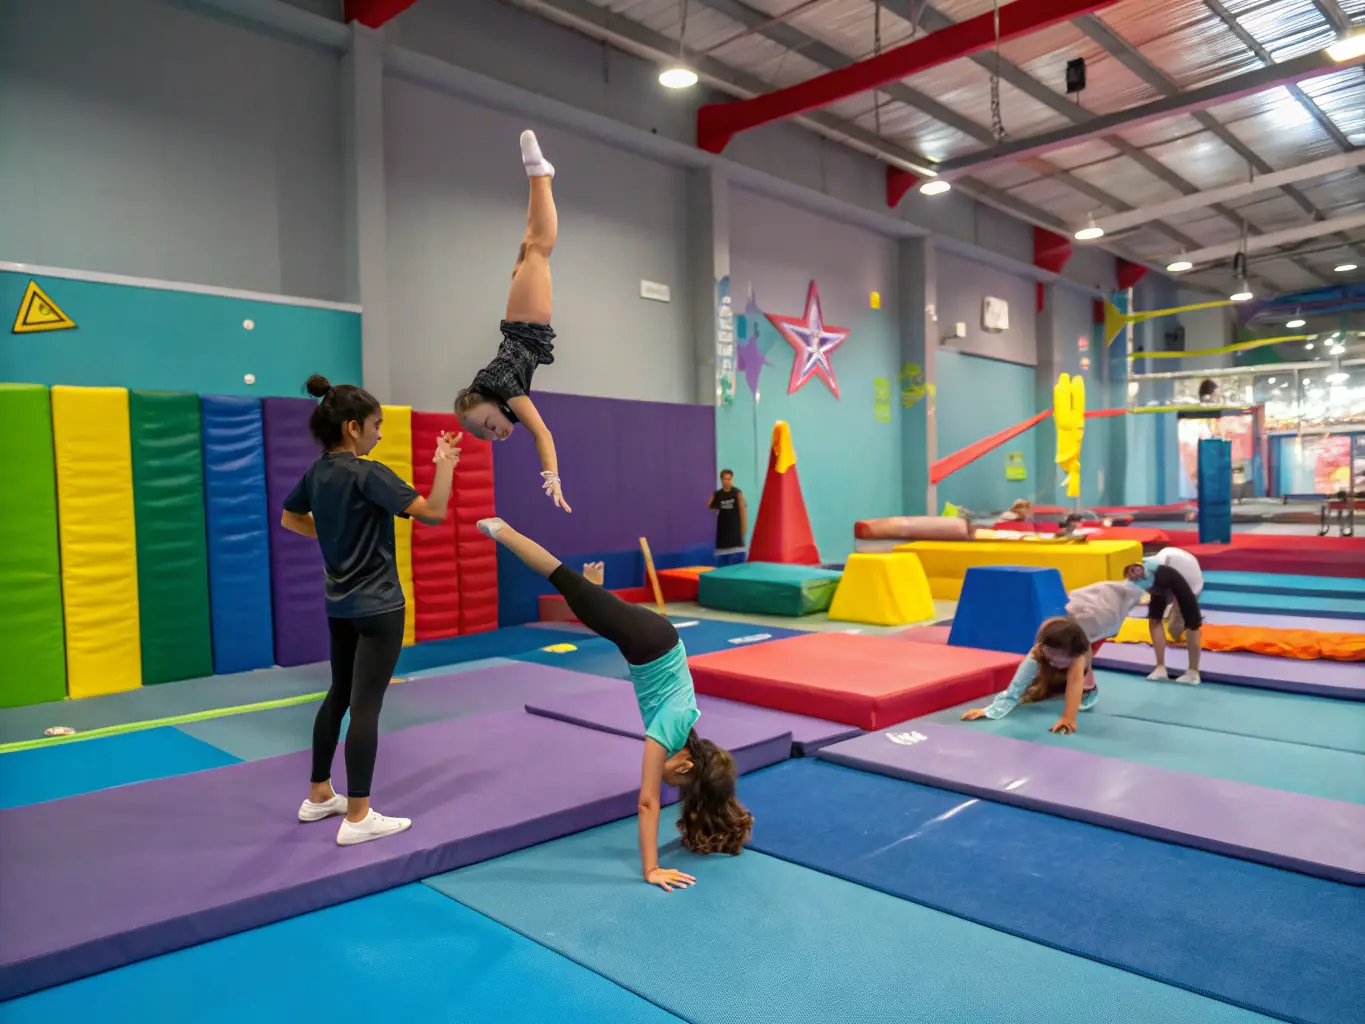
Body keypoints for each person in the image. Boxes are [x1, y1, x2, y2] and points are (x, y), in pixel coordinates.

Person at [476, 515, 753, 891]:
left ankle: (595, 591)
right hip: (649, 644)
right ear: (686, 763)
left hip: (654, 642)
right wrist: (651, 869)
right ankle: (502, 530)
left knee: (590, 605)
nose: (667, 782)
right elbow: (647, 801)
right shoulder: (667, 731)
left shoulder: (683, 734)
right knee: (561, 577)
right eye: (677, 782)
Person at [282, 375, 461, 846]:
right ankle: (358, 816)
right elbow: (434, 512)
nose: (380, 434)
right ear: (354, 427)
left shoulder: (317, 473)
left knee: (339, 694)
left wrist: (333, 538)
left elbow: (289, 517)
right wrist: (445, 464)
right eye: (377, 425)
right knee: (365, 706)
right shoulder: (368, 472)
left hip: (339, 605)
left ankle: (320, 793)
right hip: (380, 606)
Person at [453, 130, 570, 514]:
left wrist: (551, 477)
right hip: (521, 317)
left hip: (526, 321)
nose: (495, 434)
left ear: (491, 402)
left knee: (540, 246)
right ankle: (542, 178)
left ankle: (540, 173)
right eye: (488, 436)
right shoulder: (497, 388)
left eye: (487, 425)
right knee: (533, 244)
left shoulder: (504, 385)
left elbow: (542, 433)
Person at [961, 568, 1149, 734]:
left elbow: (1074, 684)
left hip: (1103, 617)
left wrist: (1068, 718)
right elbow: (1019, 681)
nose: (1053, 663)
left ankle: (1090, 688)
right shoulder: (1043, 644)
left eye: (1059, 662)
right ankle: (1053, 682)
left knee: (1081, 678)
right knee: (1040, 675)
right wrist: (991, 710)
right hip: (1076, 613)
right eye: (1050, 658)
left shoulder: (1080, 654)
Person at [1137, 547, 1204, 685]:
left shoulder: (1182, 577)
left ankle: (1193, 672)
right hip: (1167, 568)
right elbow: (1154, 615)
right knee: (1155, 619)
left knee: (1187, 624)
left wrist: (1180, 614)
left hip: (1189, 578)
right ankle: (1160, 667)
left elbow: (1194, 623)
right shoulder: (1149, 570)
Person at [708, 469, 748, 566]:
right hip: (721, 546)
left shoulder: (737, 493)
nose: (728, 481)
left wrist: (742, 531)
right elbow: (710, 506)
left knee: (737, 574)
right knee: (722, 575)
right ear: (721, 480)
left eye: (730, 479)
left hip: (736, 544)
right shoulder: (718, 495)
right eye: (725, 479)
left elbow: (743, 512)